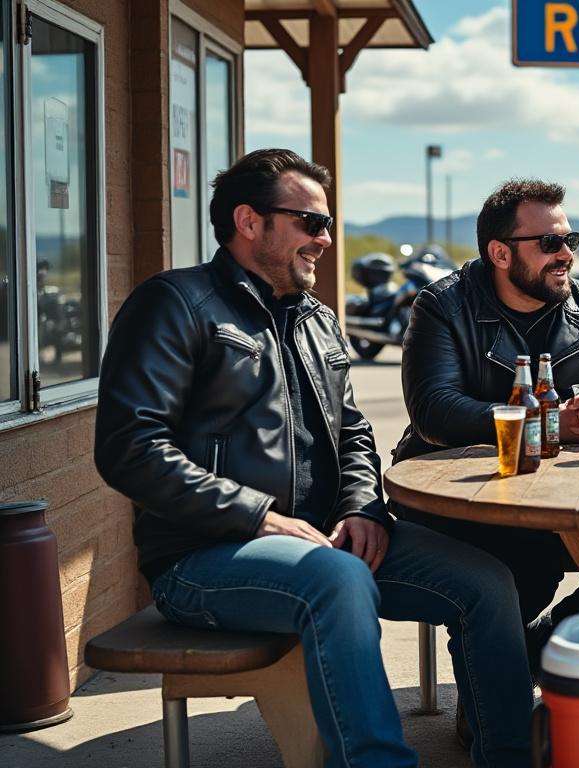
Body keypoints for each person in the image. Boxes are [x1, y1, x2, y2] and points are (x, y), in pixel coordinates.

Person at [94, 149, 533, 767]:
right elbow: (129, 447)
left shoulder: (318, 319)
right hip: (203, 557)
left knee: (487, 583)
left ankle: (511, 755)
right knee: (337, 579)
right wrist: (257, 517)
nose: (326, 239)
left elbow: (353, 432)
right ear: (249, 221)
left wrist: (362, 509)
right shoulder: (174, 303)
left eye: (327, 224)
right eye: (311, 222)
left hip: (327, 540)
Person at [391, 178, 579, 652]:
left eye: (570, 240)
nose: (567, 254)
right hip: (461, 497)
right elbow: (434, 410)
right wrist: (548, 422)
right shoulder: (444, 305)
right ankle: (502, 679)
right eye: (550, 243)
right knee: (524, 560)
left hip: (569, 494)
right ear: (500, 253)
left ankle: (535, 653)